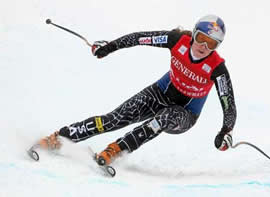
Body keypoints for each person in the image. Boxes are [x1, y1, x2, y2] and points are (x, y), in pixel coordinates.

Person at [38, 14, 237, 166]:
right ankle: (60, 137)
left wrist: (225, 131)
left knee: (163, 118)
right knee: (114, 119)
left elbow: (229, 105)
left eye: (211, 43)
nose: (203, 46)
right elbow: (140, 38)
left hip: (185, 114)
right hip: (160, 93)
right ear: (194, 33)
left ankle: (116, 150)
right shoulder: (176, 40)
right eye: (201, 38)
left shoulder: (217, 69)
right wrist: (109, 47)